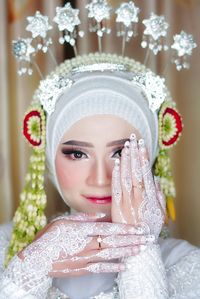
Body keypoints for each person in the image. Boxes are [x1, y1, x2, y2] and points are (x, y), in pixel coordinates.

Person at [0, 3, 200, 299]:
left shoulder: (185, 264)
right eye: (77, 154)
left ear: (151, 157)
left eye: (121, 153)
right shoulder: (5, 248)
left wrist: (140, 252)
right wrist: (27, 271)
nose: (100, 178)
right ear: (49, 157)